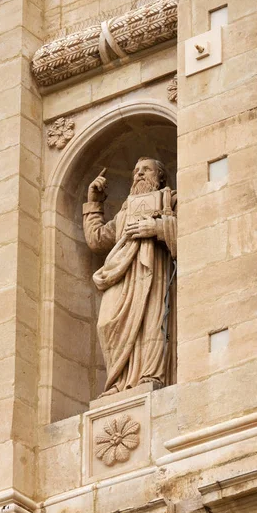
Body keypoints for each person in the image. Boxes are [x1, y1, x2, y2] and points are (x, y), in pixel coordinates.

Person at [83, 157, 177, 396]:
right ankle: (117, 380)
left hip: (154, 274)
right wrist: (94, 204)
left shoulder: (170, 200)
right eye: (136, 171)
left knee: (151, 322)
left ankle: (150, 375)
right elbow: (96, 239)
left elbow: (196, 229)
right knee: (107, 322)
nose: (139, 174)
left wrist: (158, 229)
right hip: (121, 274)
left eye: (146, 170)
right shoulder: (124, 213)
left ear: (160, 177)